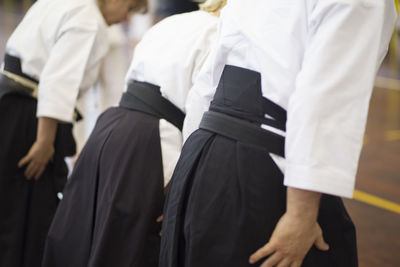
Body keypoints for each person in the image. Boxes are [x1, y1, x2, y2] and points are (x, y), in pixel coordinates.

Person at [159, 1, 398, 267]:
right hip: (261, 166)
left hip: (204, 151)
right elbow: (323, 99)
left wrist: (188, 171)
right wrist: (301, 214)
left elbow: (206, 87)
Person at [42, 1, 225, 266]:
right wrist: (185, 184)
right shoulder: (219, 34)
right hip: (151, 142)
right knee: (129, 245)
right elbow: (199, 109)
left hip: (111, 127)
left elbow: (130, 78)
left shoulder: (172, 23)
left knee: (87, 234)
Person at [0, 0, 147, 266]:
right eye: (129, 10)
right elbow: (58, 82)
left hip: (11, 105)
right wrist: (45, 142)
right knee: (27, 213)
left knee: (10, 205)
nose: (124, 19)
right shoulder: (87, 19)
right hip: (32, 120)